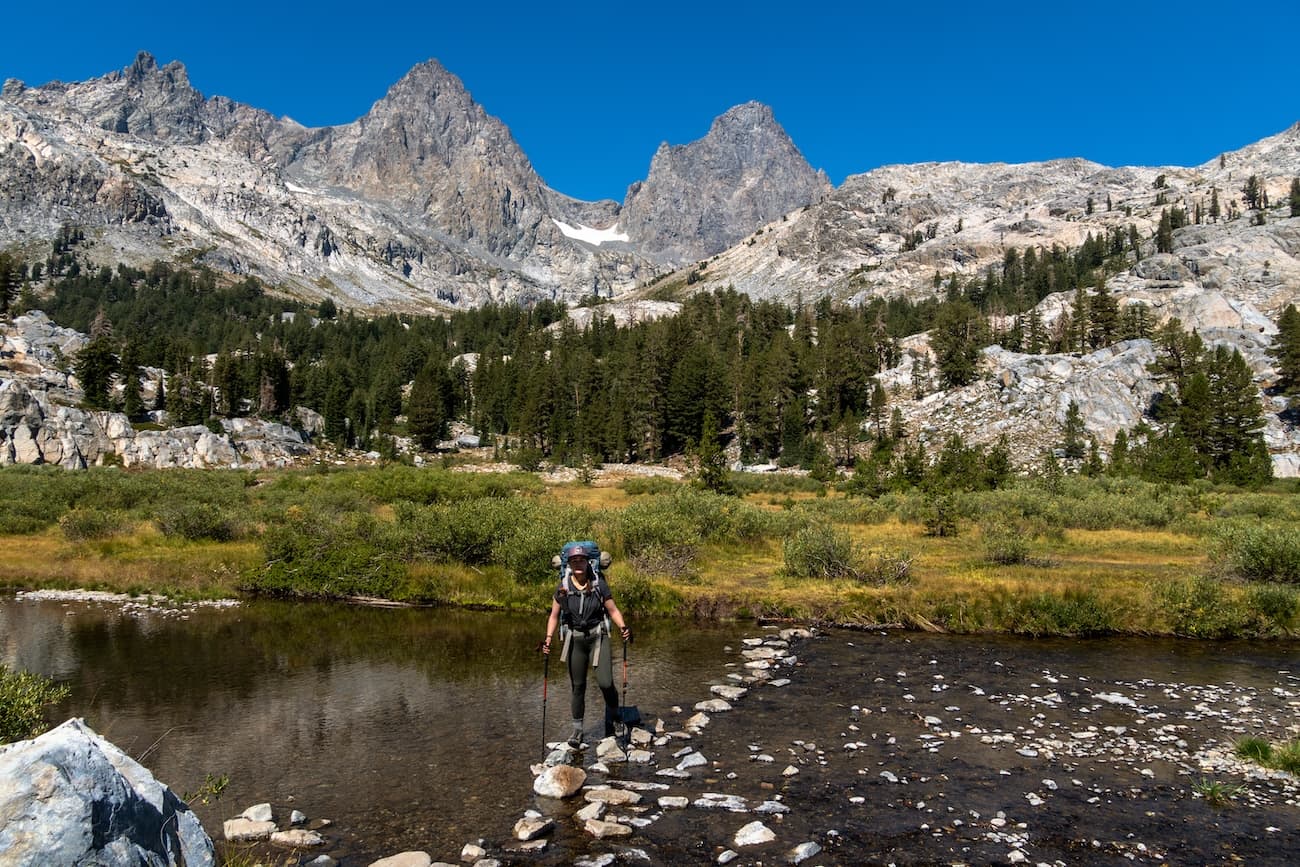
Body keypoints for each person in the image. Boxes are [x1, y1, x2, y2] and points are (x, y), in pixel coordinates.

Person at [542, 542, 631, 747]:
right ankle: (577, 731)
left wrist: (623, 627)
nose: (578, 564)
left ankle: (616, 717)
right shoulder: (563, 587)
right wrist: (548, 639)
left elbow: (613, 610)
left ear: (587, 562)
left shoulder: (598, 583)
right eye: (574, 561)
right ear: (570, 565)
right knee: (578, 687)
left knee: (606, 683)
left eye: (581, 560)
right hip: (575, 640)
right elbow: (554, 616)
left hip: (598, 637)